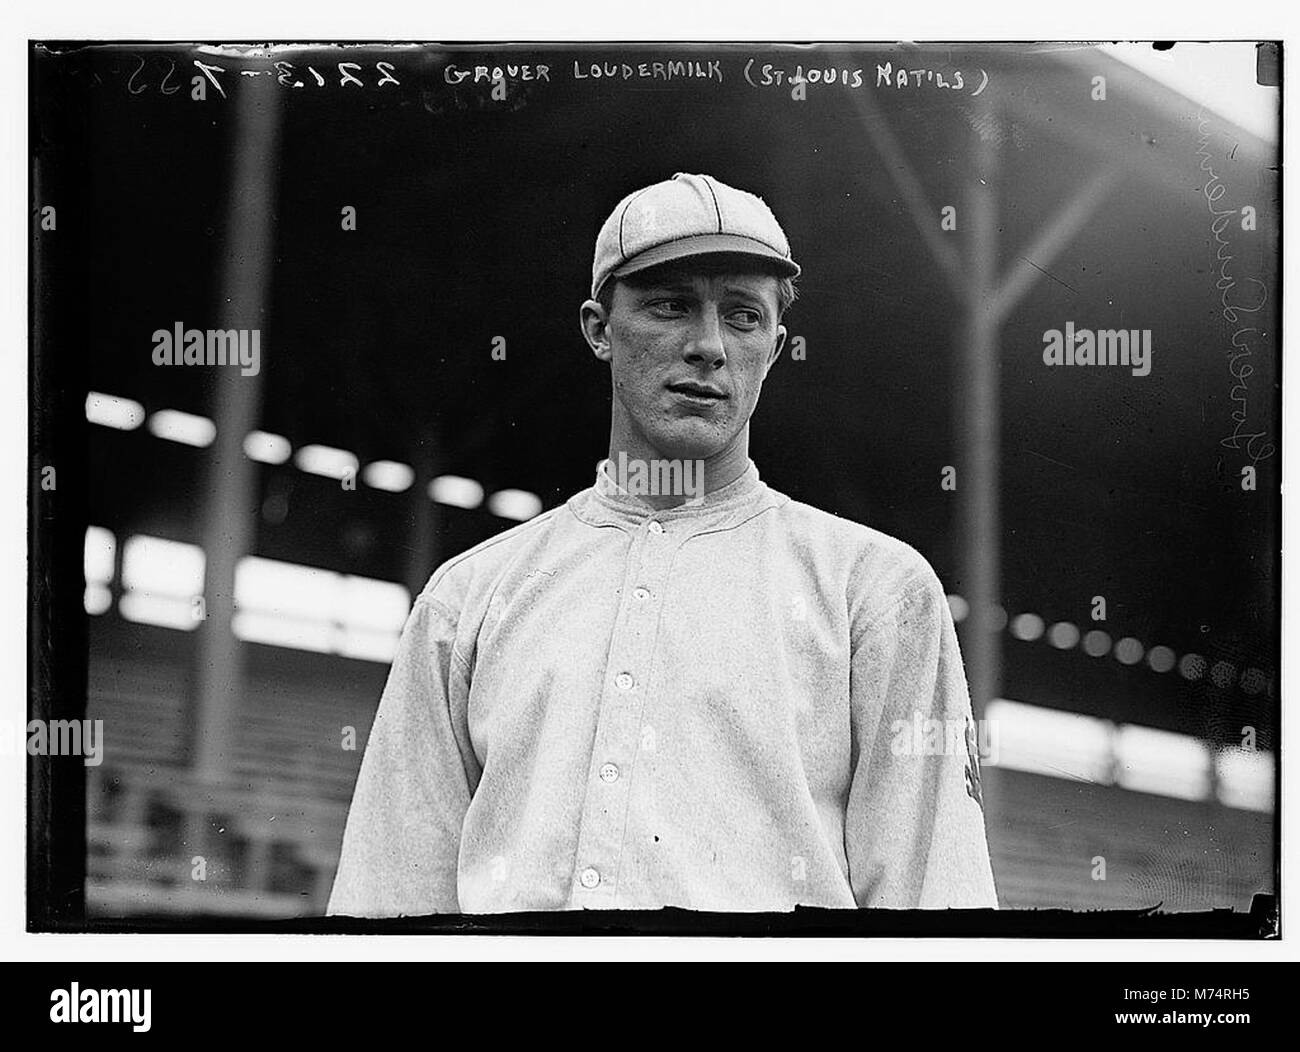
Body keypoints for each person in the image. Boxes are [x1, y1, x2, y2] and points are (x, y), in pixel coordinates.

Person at [328, 172, 998, 915]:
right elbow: (387, 898)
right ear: (598, 327)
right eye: (670, 306)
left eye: (742, 316)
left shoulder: (877, 589)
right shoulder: (468, 597)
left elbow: (938, 904)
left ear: (775, 347)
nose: (708, 345)